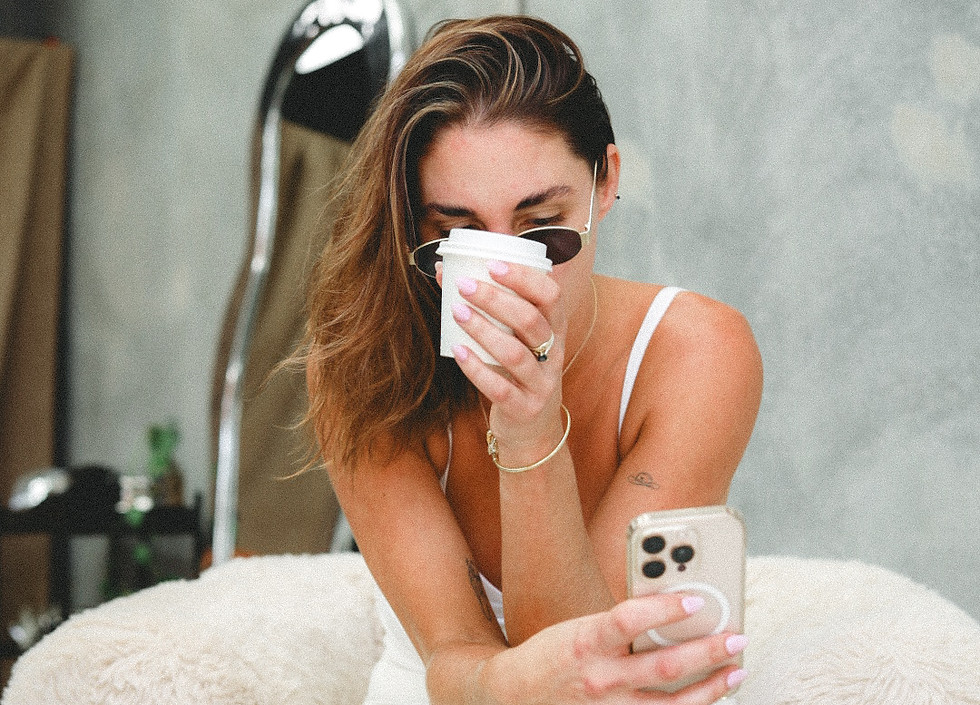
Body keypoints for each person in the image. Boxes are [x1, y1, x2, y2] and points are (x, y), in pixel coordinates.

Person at [304, 14, 763, 705]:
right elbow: (458, 653)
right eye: (457, 236)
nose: (510, 276)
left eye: (542, 227)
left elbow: (581, 658)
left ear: (605, 183)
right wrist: (495, 679)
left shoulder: (698, 352)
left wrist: (529, 427)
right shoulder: (363, 363)